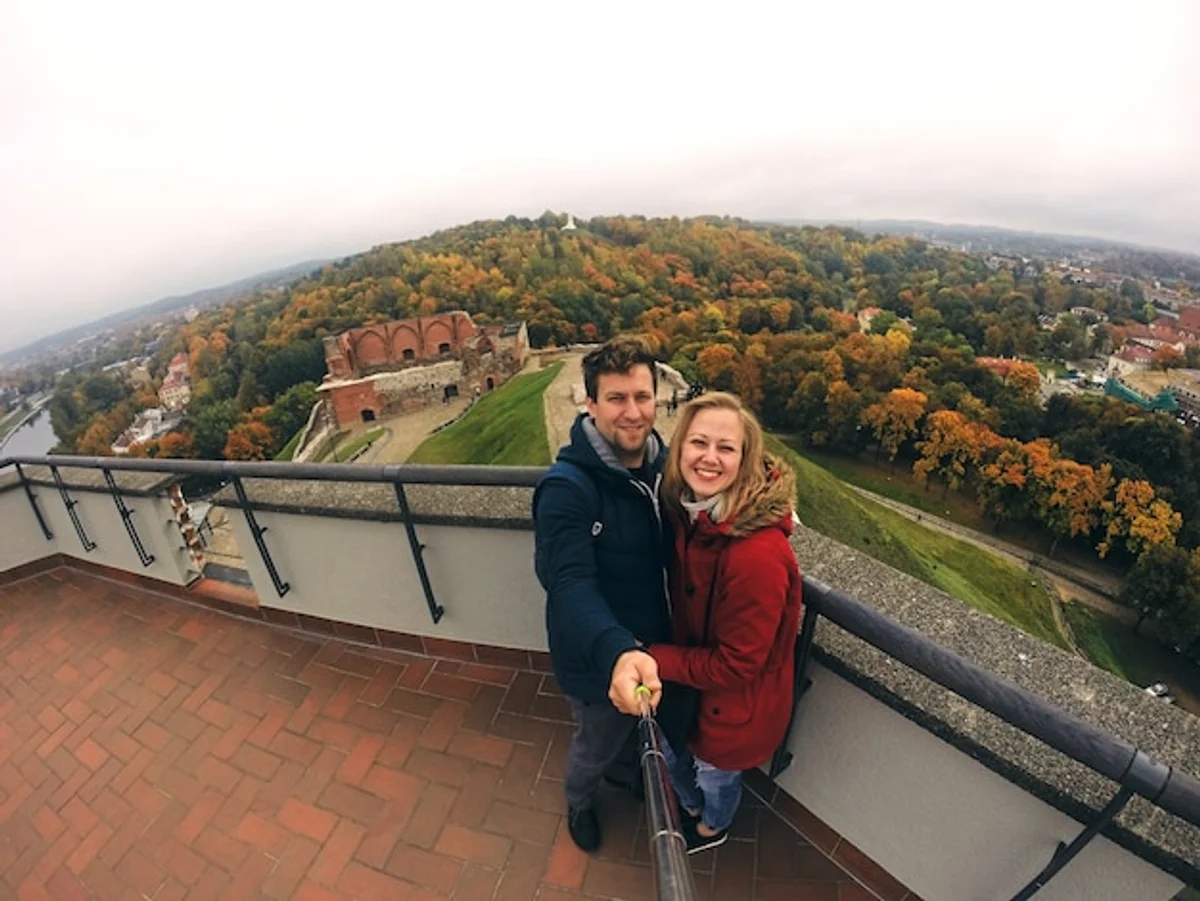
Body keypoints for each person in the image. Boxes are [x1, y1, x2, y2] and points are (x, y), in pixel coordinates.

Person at [533, 336, 671, 852]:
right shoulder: (567, 489)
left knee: (634, 732)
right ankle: (579, 799)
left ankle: (622, 771)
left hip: (651, 647)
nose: (633, 412)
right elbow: (568, 583)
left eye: (642, 396)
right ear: (590, 404)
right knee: (595, 742)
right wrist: (616, 651)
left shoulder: (664, 468)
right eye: (616, 398)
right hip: (597, 656)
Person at [649, 391, 803, 854]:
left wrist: (654, 657)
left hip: (733, 708)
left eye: (726, 447)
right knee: (679, 758)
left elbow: (737, 664)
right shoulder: (694, 512)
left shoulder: (755, 555)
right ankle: (693, 808)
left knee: (716, 777)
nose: (709, 457)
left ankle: (713, 826)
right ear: (679, 448)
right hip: (697, 691)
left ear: (745, 459)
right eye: (699, 442)